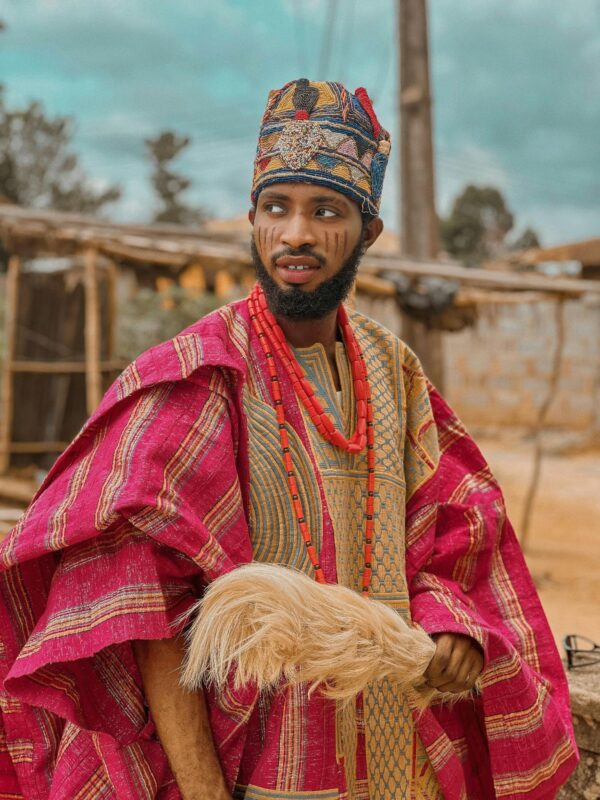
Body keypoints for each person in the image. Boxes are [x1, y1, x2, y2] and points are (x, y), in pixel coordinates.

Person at [0, 79, 578, 800]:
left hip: (398, 760)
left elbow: (454, 538)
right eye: (276, 209)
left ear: (367, 230)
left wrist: (449, 624)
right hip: (257, 769)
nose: (295, 235)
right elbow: (148, 611)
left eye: (325, 211)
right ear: (253, 218)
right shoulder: (198, 374)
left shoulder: (395, 371)